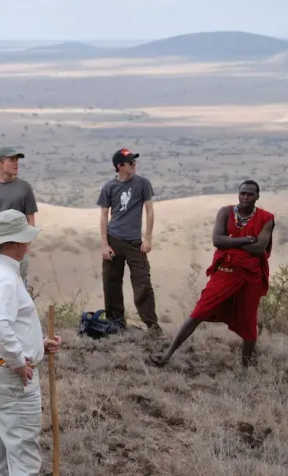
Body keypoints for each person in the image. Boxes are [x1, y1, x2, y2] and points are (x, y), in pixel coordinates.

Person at [0, 209, 62, 476]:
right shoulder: (5, 278)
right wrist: (19, 361)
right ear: (16, 242)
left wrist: (37, 344)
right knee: (23, 461)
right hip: (10, 376)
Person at [151, 180, 274, 368]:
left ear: (257, 196)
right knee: (199, 311)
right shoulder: (226, 212)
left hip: (250, 276)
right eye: (242, 193)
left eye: (250, 194)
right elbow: (217, 240)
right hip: (225, 272)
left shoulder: (266, 218)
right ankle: (166, 355)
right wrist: (245, 240)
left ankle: (245, 370)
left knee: (249, 321)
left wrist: (231, 242)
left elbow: (259, 248)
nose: (245, 197)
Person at [97, 148, 161, 334]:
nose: (134, 165)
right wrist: (104, 244)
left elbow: (149, 211)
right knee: (111, 282)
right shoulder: (109, 187)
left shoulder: (142, 183)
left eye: (134, 161)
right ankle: (115, 324)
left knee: (143, 282)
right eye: (130, 162)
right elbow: (103, 215)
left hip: (135, 242)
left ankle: (152, 326)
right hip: (114, 239)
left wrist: (147, 238)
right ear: (120, 166)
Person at [0, 146, 38, 287]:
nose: (16, 163)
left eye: (17, 160)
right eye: (11, 159)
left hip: (17, 250)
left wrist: (26, 248)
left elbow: (30, 219)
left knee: (18, 287)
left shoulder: (24, 188)